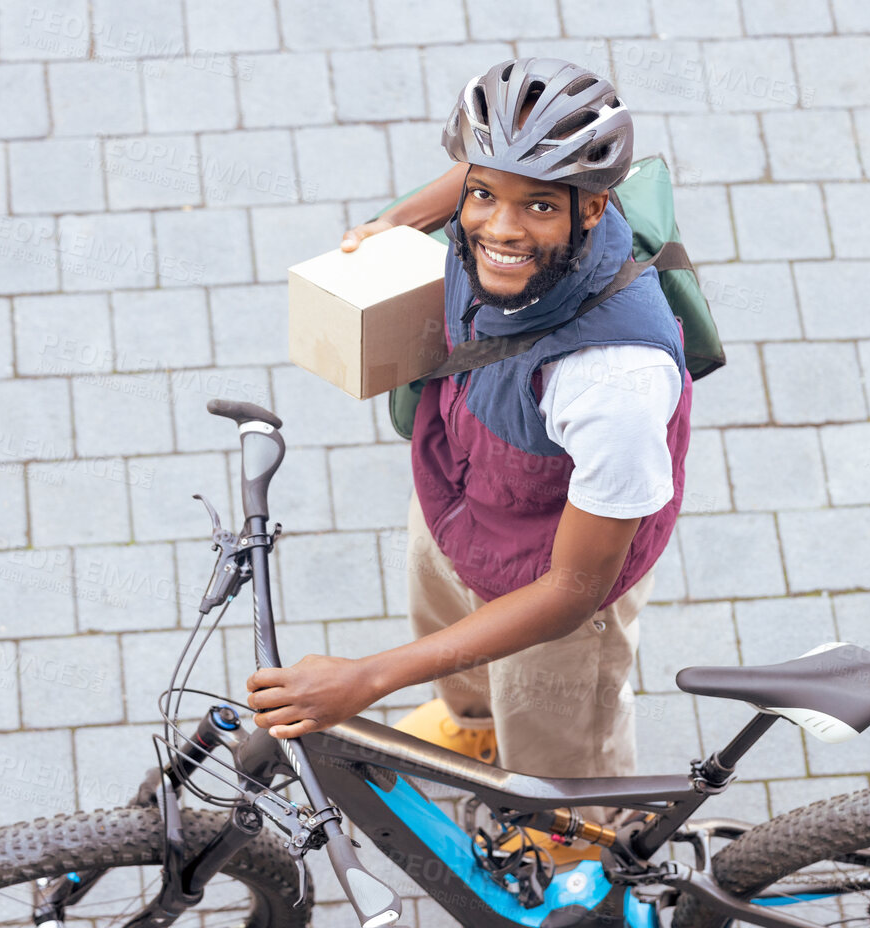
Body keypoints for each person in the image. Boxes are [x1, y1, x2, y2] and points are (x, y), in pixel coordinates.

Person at [245, 57, 690, 867]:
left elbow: (568, 591)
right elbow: (485, 181)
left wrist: (368, 680)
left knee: (558, 741)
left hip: (555, 585)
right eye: (486, 195)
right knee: (448, 625)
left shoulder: (614, 377)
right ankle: (477, 729)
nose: (500, 229)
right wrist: (398, 222)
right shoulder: (504, 209)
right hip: (467, 500)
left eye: (539, 208)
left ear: (593, 210)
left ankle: (571, 848)